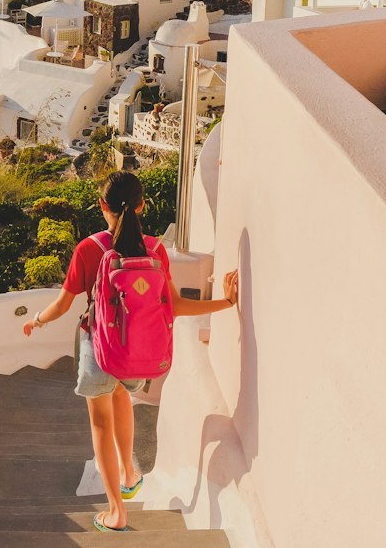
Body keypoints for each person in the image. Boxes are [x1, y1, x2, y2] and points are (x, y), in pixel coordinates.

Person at [23, 170, 239, 533]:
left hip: (99, 350)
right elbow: (175, 306)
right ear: (141, 205)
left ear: (102, 207)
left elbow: (62, 306)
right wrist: (225, 303)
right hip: (136, 354)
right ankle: (129, 472)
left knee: (100, 422)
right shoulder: (155, 249)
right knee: (122, 395)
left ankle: (115, 511)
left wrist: (37, 321)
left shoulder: (90, 249)